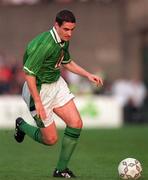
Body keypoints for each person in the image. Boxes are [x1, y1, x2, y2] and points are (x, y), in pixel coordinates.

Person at [14, 9, 103, 178]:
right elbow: (29, 75)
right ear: (56, 25)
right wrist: (38, 102)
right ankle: (22, 126)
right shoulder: (44, 44)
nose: (70, 33)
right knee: (50, 140)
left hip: (56, 84)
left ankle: (61, 169)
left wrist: (87, 75)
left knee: (76, 123)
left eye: (72, 30)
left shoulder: (63, 40)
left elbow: (66, 62)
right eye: (66, 29)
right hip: (38, 92)